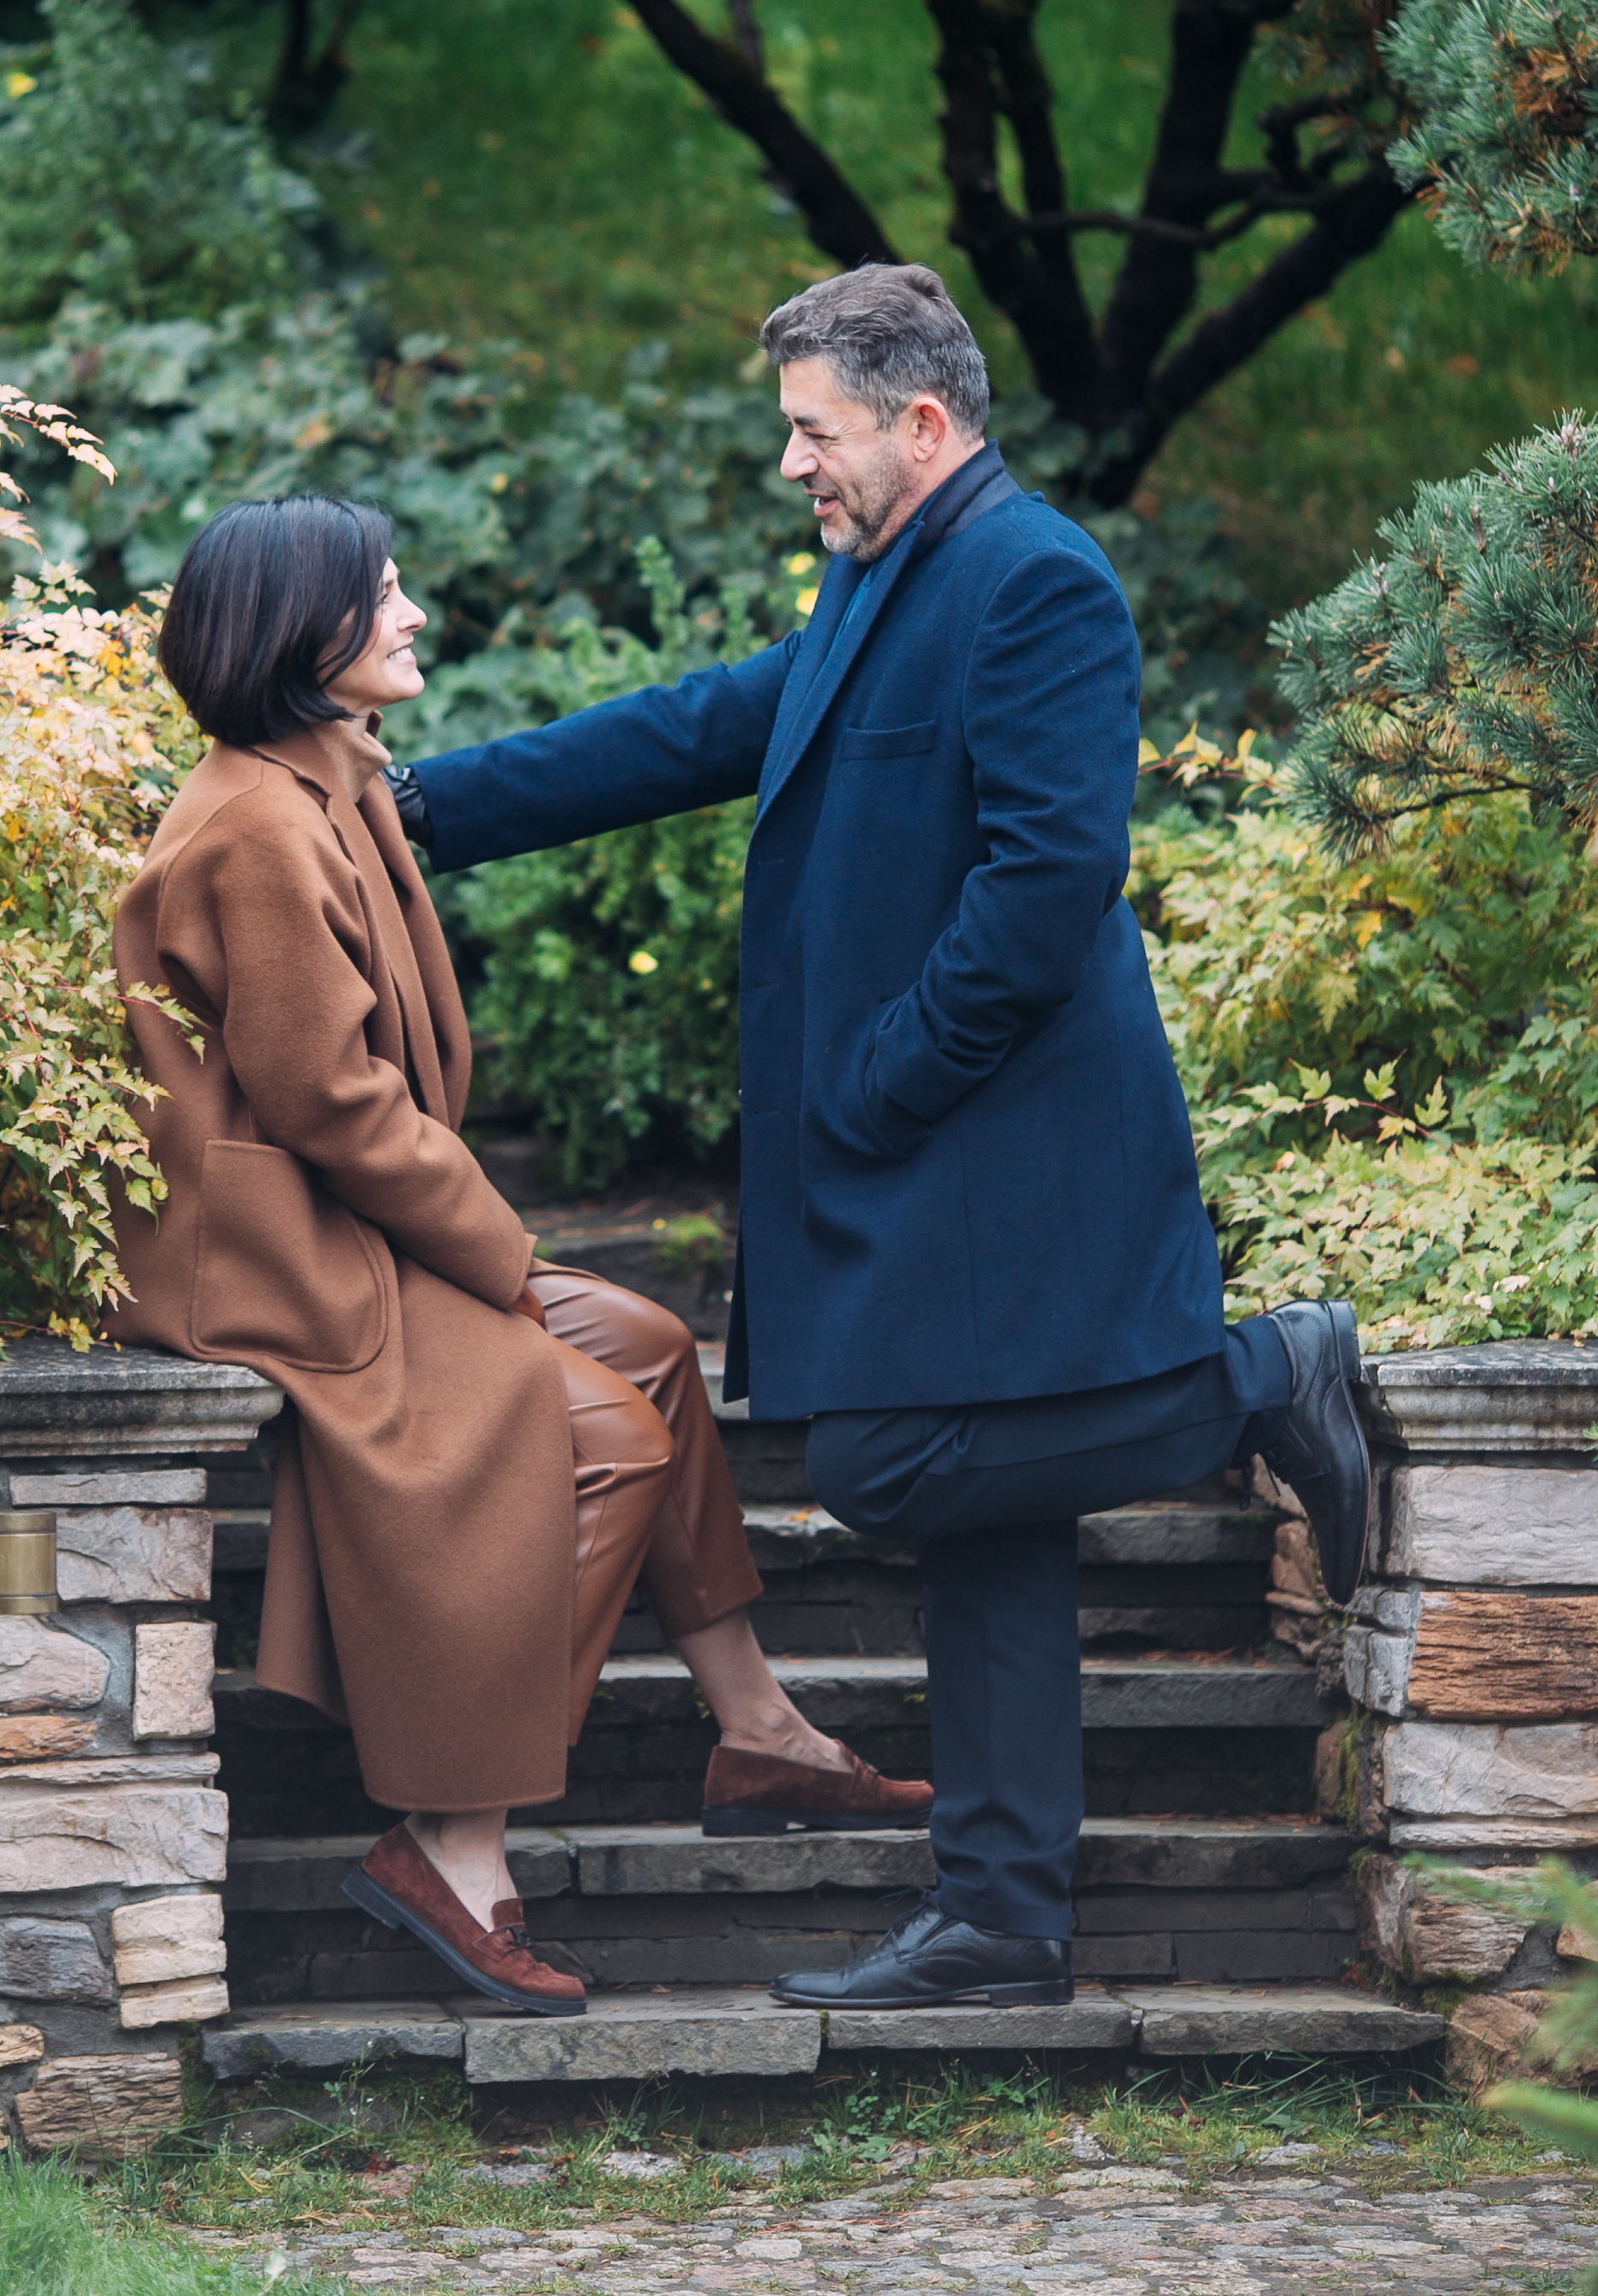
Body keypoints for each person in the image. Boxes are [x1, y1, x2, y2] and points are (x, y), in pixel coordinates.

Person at [386, 264, 1371, 2014]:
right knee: (992, 1521)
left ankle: (1257, 1379)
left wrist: (881, 1078)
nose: (791, 465)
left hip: (1000, 1144)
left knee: (891, 1464)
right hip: (938, 1146)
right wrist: (420, 806)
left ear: (919, 423)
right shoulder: (876, 576)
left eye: (810, 430)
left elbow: (1048, 884)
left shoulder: (1035, 580)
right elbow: (702, 723)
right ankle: (1002, 1915)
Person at [107, 495, 929, 2021]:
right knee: (602, 1433)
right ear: (300, 630)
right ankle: (452, 1838)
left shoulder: (331, 781)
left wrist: (487, 1246)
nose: (413, 613)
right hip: (279, 1254)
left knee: (654, 1350)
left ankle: (761, 1735)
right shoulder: (255, 827)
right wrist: (493, 1241)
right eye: (384, 592)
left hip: (354, 1215)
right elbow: (332, 1104)